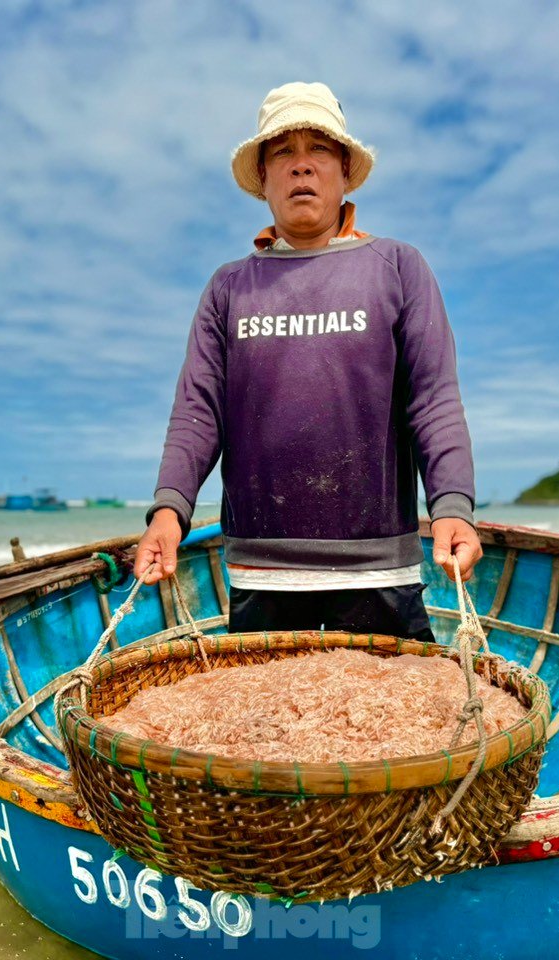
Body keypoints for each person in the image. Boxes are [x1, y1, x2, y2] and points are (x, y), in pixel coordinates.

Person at [134, 81, 482, 643]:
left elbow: (433, 400)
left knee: (402, 724)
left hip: (379, 569)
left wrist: (452, 505)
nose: (301, 167)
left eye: (318, 149)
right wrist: (169, 512)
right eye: (282, 154)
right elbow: (198, 413)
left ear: (344, 170)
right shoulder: (229, 287)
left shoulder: (397, 266)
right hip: (261, 573)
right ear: (263, 181)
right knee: (266, 729)